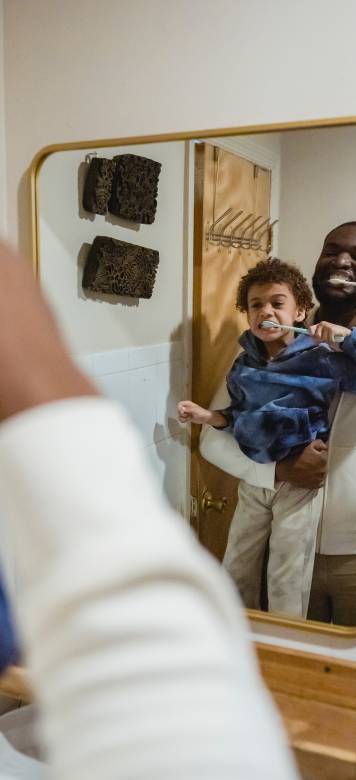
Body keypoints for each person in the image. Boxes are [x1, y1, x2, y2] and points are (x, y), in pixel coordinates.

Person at [0, 239, 298, 780]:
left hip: (318, 510)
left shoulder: (329, 360)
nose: (267, 314)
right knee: (240, 566)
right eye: (256, 305)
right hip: (258, 488)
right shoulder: (242, 361)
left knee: (287, 583)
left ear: (300, 309)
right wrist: (221, 426)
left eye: (278, 303)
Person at [200, 222, 356, 626]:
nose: (341, 261)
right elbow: (213, 441)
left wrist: (350, 343)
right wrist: (276, 472)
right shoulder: (267, 340)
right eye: (331, 250)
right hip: (282, 546)